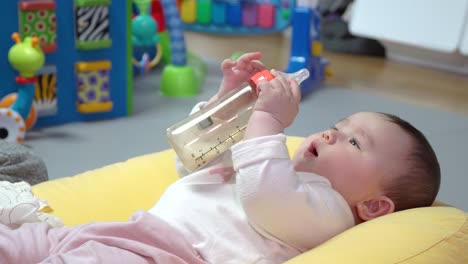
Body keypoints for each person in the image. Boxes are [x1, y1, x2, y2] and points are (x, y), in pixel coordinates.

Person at [0, 52, 440, 264]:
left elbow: (265, 195)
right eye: (339, 125)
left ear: (375, 205)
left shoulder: (329, 213)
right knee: (21, 245)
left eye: (354, 143)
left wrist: (267, 117)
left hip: (165, 257)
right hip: (123, 233)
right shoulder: (275, 164)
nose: (331, 132)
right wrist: (228, 100)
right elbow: (195, 158)